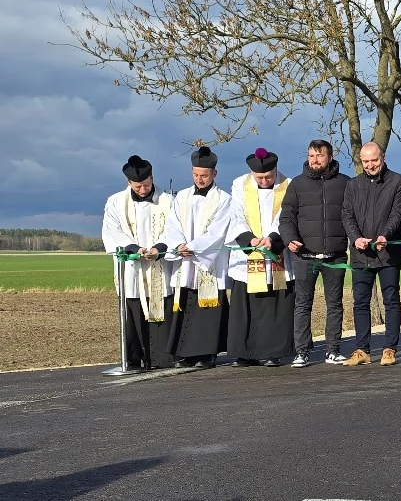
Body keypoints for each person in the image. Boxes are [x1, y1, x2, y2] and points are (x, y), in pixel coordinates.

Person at [279, 139, 351, 367]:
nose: (315, 160)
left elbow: (353, 216)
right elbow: (286, 217)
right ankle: (301, 352)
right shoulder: (297, 184)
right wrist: (289, 239)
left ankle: (333, 350)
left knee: (335, 304)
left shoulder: (345, 183)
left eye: (320, 155)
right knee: (302, 305)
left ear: (330, 157)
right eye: (311, 155)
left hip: (335, 256)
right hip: (304, 257)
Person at [160, 146, 233, 369]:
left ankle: (207, 353)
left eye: (204, 175)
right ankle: (185, 353)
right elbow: (172, 225)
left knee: (208, 307)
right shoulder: (181, 197)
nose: (199, 180)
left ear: (214, 174)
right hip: (185, 260)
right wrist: (178, 245)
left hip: (207, 261)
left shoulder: (224, 199)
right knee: (185, 302)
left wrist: (194, 247)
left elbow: (218, 231)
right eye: (195, 175)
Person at [101, 155, 176, 370]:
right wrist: (135, 249)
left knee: (161, 309)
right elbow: (112, 231)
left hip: (159, 265)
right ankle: (134, 358)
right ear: (129, 182)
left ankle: (161, 358)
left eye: (146, 185)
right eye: (138, 186)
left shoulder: (168, 201)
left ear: (152, 178)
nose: (143, 190)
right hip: (132, 268)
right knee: (133, 310)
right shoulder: (115, 202)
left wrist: (159, 248)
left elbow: (174, 229)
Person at [341, 142, 401, 367]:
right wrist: (356, 238)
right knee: (360, 302)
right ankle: (362, 350)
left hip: (388, 252)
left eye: (374, 160)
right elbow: (347, 215)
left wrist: (385, 235)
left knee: (391, 301)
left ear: (383, 157)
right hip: (361, 253)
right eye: (366, 161)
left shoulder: (399, 182)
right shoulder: (353, 185)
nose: (370, 165)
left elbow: (398, 213)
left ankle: (390, 349)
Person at [225, 147, 294, 367]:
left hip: (275, 252)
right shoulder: (240, 184)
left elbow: (286, 215)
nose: (264, 181)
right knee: (245, 306)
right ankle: (244, 353)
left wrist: (272, 238)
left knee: (273, 305)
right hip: (249, 253)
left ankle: (271, 352)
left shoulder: (288, 185)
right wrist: (249, 239)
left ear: (275, 170)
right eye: (259, 178)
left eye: (268, 177)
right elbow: (236, 214)